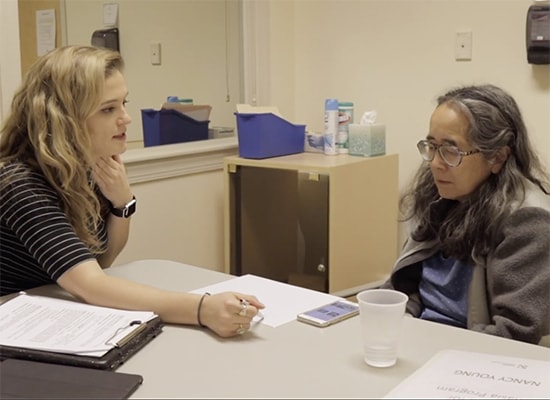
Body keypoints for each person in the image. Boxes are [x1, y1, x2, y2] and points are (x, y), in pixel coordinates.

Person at [0, 45, 264, 338]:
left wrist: (122, 203)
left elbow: (101, 261)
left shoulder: (89, 169)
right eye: (108, 109)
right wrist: (202, 309)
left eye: (124, 103)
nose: (125, 118)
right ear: (65, 119)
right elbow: (91, 285)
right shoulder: (19, 183)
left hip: (54, 311)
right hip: (17, 327)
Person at [382, 84, 550, 346]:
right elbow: (408, 285)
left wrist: (430, 348)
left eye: (451, 151)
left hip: (469, 354)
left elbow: (515, 334)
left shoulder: (527, 223)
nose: (435, 163)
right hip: (418, 341)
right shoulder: (439, 194)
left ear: (497, 157)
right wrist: (396, 321)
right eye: (431, 146)